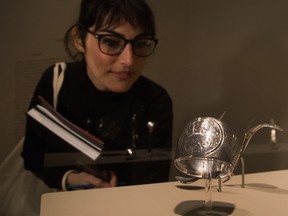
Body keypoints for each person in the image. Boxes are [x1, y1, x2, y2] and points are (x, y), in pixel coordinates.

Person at [21, 0, 173, 190]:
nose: (128, 60)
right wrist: (70, 179)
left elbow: (151, 186)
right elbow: (32, 156)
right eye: (110, 42)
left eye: (140, 43)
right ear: (79, 39)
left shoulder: (154, 100)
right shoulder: (56, 81)